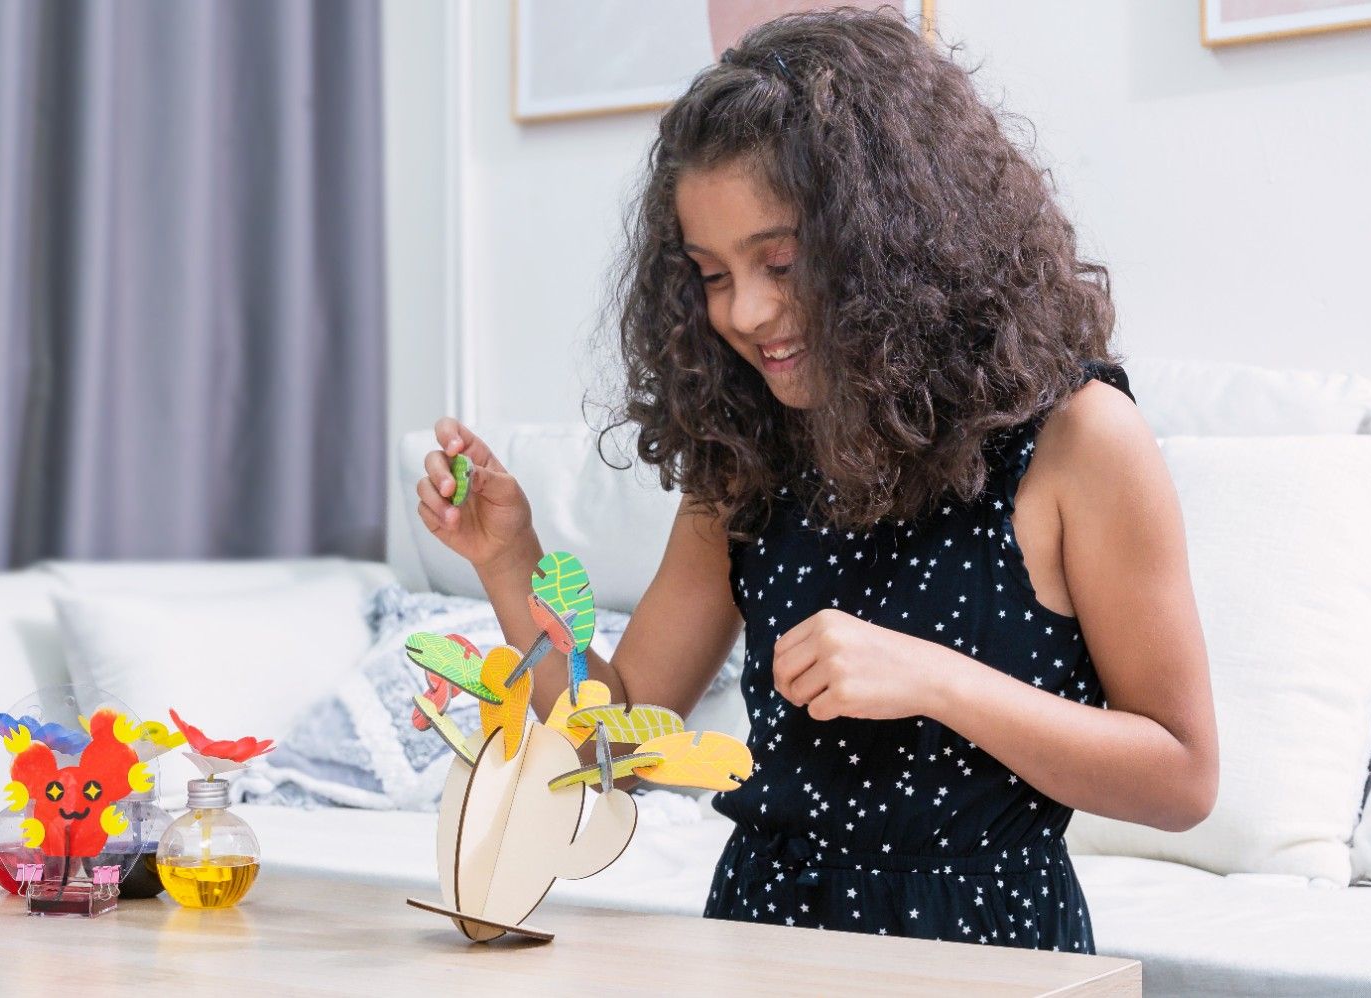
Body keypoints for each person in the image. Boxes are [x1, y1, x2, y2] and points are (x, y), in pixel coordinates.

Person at [415, 6, 1216, 953]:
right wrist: (512, 562)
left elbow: (1182, 778)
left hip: (983, 949)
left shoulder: (1080, 441)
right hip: (763, 935)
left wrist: (935, 679)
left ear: (896, 239)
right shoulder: (747, 452)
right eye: (711, 275)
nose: (746, 312)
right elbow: (612, 751)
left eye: (780, 262)